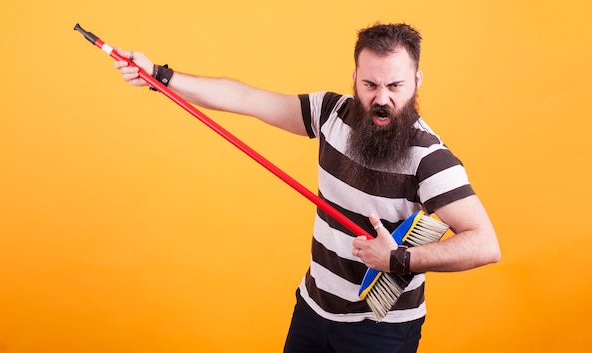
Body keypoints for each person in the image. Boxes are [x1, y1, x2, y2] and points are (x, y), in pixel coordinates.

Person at [114, 23, 501, 353]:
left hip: (380, 332)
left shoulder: (429, 158)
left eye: (395, 85)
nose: (381, 98)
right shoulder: (331, 113)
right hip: (313, 311)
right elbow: (247, 98)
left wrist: (398, 260)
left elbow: (485, 244)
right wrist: (160, 77)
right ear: (353, 78)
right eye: (370, 84)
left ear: (416, 81)